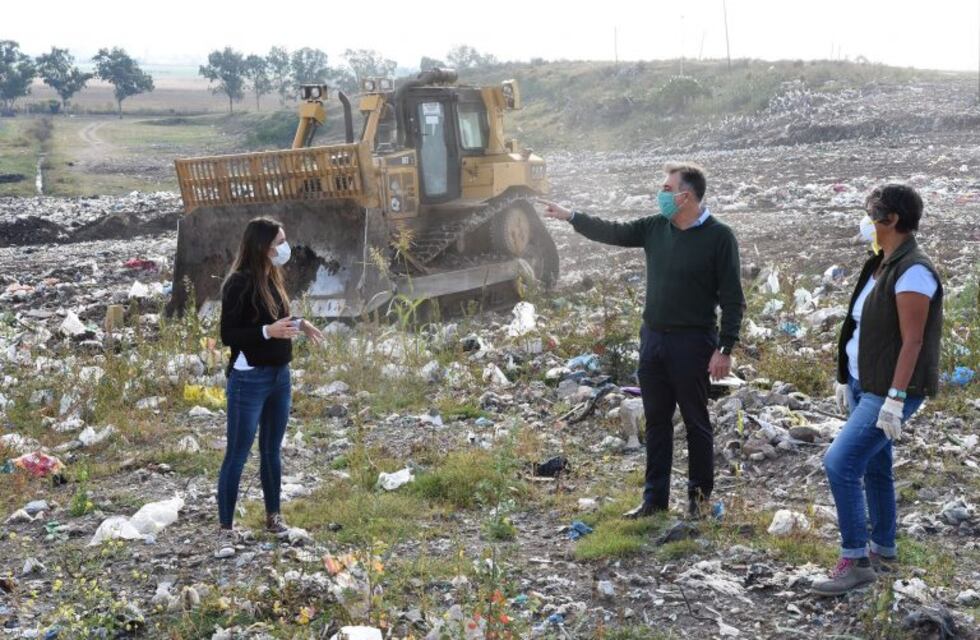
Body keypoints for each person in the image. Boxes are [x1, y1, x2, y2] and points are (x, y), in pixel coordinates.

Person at [539, 162, 745, 518]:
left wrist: (724, 348)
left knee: (696, 423)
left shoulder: (719, 237)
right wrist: (572, 216)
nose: (661, 194)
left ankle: (697, 502)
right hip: (653, 340)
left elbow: (732, 298)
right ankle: (654, 500)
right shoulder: (655, 228)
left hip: (692, 342)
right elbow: (614, 232)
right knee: (657, 421)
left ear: (686, 196)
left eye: (667, 189)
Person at [811, 184, 943, 596]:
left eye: (872, 212)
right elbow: (857, 325)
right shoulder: (880, 263)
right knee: (874, 464)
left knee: (840, 463)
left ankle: (855, 561)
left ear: (893, 220)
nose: (866, 218)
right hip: (864, 382)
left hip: (888, 390)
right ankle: (883, 547)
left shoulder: (913, 271)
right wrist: (842, 376)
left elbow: (913, 342)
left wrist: (894, 400)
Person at [216, 217, 323, 555]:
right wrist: (267, 332)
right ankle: (225, 526)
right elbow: (229, 335)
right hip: (249, 379)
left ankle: (273, 516)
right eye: (279, 241)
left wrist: (300, 324)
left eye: (284, 239)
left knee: (271, 450)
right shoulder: (238, 283)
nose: (284, 248)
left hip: (280, 376)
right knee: (237, 452)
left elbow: (274, 317)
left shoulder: (272, 277)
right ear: (262, 245)